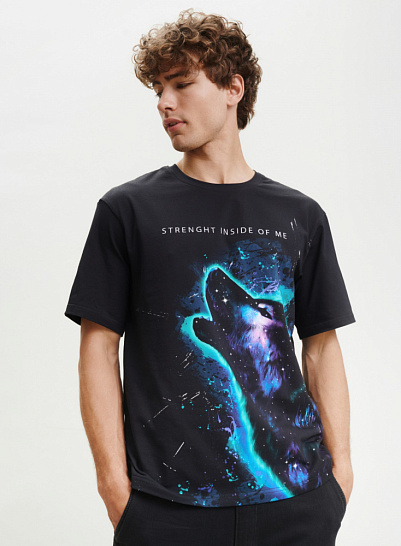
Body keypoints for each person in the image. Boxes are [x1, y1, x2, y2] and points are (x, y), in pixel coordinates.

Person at [65, 9, 355, 546]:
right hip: (166, 510)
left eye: (181, 84)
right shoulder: (127, 211)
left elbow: (321, 346)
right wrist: (115, 489)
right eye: (158, 89)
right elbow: (98, 347)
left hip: (297, 503)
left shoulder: (300, 214)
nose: (164, 102)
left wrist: (340, 479)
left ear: (232, 89)